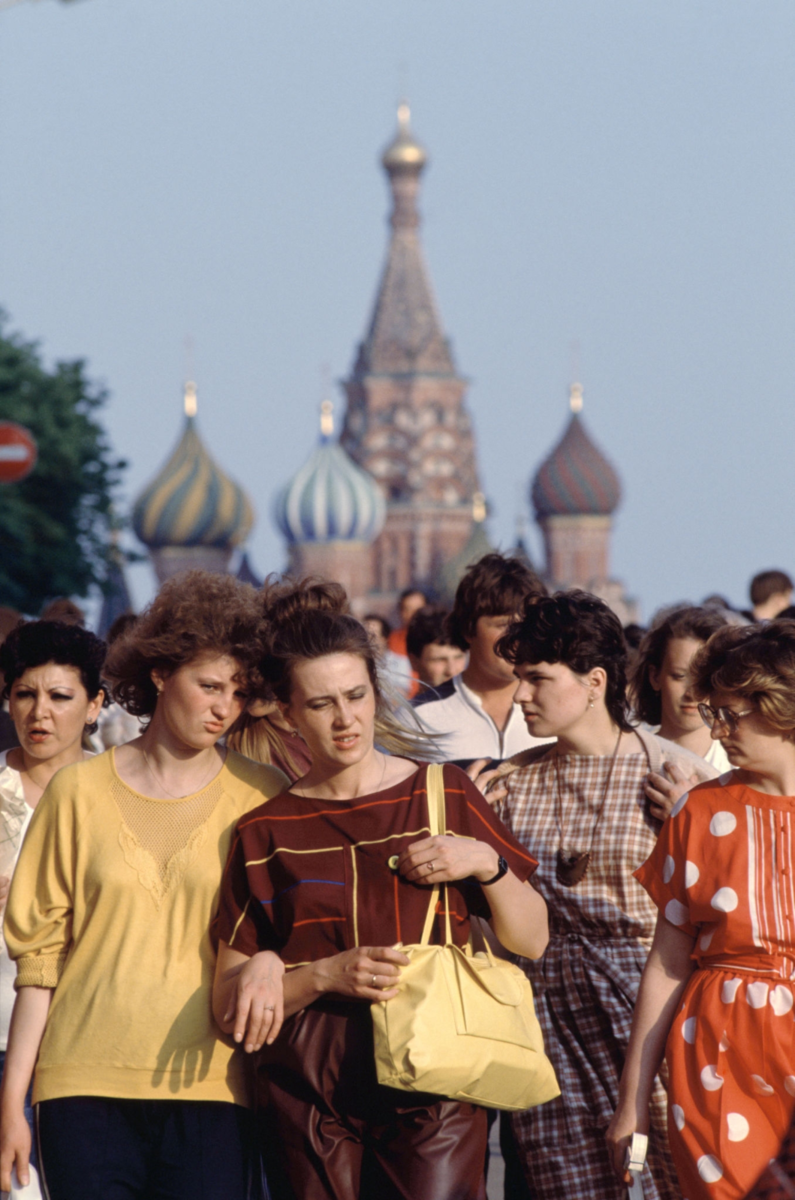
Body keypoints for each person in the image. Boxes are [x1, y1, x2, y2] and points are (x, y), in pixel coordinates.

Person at [213, 603, 548, 1200]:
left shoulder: (443, 792)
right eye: (321, 704)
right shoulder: (264, 830)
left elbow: (532, 939)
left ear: (377, 693)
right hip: (307, 1083)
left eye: (356, 695)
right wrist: (317, 975)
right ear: (288, 713)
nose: (345, 719)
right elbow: (229, 1003)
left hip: (436, 1073)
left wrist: (486, 864)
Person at [0, 571, 288, 1199]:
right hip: (80, 1087)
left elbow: (286, 933)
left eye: (238, 693)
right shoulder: (76, 793)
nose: (222, 708)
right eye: (209, 685)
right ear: (160, 674)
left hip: (213, 1087)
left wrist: (269, 958)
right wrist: (12, 1104)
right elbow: (39, 962)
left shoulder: (263, 797)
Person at [492, 590, 717, 1200]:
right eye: (519, 679)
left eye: (538, 678)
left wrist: (696, 825)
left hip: (652, 1023)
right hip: (550, 1026)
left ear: (595, 681)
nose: (520, 695)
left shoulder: (673, 775)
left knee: (675, 1182)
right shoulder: (511, 784)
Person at [608, 620, 795, 1200]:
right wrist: (632, 1100)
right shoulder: (698, 812)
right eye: (712, 713)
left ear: (781, 706)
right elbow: (667, 964)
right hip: (718, 1055)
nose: (716, 730)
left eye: (729, 715)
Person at [0, 620, 107, 1168]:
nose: (40, 713)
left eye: (60, 696)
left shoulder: (122, 796)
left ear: (95, 706)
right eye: (25, 694)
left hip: (91, 1043)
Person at [413, 553, 550, 764]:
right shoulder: (417, 721)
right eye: (505, 626)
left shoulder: (558, 713)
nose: (518, 638)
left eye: (527, 626)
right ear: (469, 629)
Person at [631, 604, 732, 774]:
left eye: (704, 679)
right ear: (655, 676)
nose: (692, 693)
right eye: (679, 676)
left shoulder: (741, 765)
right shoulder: (630, 760)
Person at [405, 606, 466, 692]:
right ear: (414, 662)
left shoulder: (480, 705)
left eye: (458, 657)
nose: (451, 671)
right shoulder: (408, 706)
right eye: (439, 660)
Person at [385, 587, 427, 698]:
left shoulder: (438, 641)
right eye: (407, 609)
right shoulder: (392, 641)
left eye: (418, 610)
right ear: (400, 612)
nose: (413, 615)